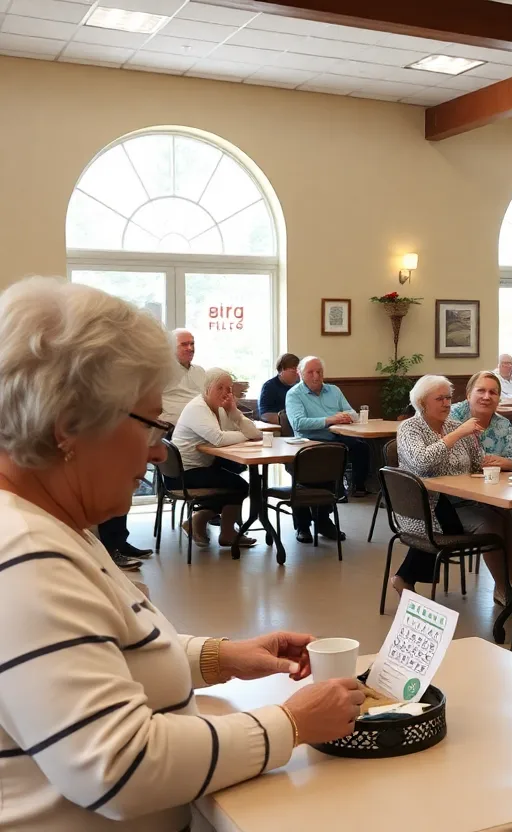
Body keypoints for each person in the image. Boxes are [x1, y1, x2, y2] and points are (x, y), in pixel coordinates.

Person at [0, 277, 363, 831]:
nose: (155, 450)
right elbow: (120, 767)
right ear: (70, 428)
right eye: (148, 424)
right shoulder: (25, 555)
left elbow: (100, 650)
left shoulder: (50, 526)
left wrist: (221, 657)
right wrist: (289, 724)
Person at [391, 375, 512, 615]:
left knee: (511, 517)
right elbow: (422, 462)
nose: (447, 403)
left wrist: (494, 463)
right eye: (439, 398)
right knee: (491, 524)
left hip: (461, 500)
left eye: (448, 397)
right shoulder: (410, 428)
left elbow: (476, 461)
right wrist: (458, 434)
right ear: (422, 402)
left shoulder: (452, 425)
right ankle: (504, 587)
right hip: (426, 507)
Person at [99, 327, 206, 571]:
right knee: (115, 485)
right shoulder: (118, 373)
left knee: (122, 488)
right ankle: (110, 548)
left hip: (143, 432)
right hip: (122, 434)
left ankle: (119, 542)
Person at [170, 368, 261, 548]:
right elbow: (219, 439)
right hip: (183, 473)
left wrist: (234, 412)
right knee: (239, 486)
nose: (225, 393)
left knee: (235, 479)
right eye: (220, 388)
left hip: (203, 466)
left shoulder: (220, 408)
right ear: (207, 389)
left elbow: (256, 434)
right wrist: (246, 435)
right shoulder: (198, 407)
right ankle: (217, 528)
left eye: (229, 389)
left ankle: (202, 522)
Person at [284, 356, 371, 540]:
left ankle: (325, 518)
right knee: (314, 468)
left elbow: (352, 413)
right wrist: (330, 419)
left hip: (335, 442)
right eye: (311, 372)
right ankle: (303, 526)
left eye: (319, 372)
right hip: (308, 443)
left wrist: (347, 417)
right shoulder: (294, 394)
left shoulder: (334, 390)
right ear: (300, 373)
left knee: (359, 447)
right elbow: (299, 423)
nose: (316, 376)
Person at [449, 371, 512, 472]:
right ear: (468, 395)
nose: (487, 397)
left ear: (498, 399)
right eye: (481, 391)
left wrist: (502, 463)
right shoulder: (451, 417)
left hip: (491, 483)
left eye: (492, 392)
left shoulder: (503, 424)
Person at [257, 353, 300, 423]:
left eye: (299, 370)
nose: (297, 373)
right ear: (282, 369)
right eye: (293, 369)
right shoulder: (269, 386)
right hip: (283, 426)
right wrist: (287, 420)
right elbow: (264, 415)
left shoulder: (299, 386)